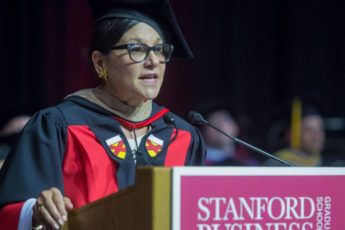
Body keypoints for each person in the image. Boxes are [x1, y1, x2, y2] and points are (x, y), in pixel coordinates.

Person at [0, 0, 206, 229]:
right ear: (100, 63)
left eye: (159, 49)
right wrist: (35, 211)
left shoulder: (183, 136)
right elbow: (9, 212)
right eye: (137, 49)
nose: (153, 61)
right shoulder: (59, 125)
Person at [265, 100, 325, 166]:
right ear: (290, 134)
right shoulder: (275, 166)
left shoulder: (329, 166)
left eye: (320, 129)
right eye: (308, 129)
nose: (316, 135)